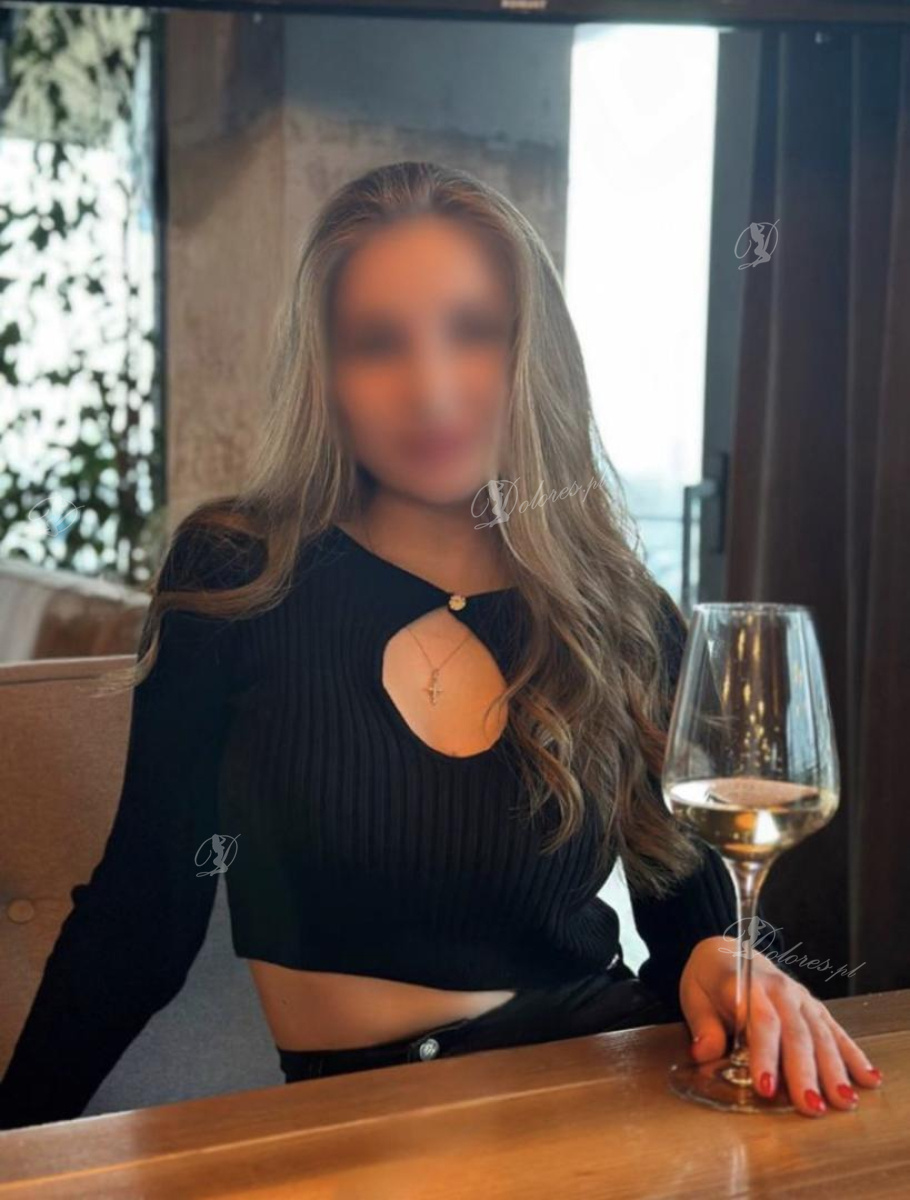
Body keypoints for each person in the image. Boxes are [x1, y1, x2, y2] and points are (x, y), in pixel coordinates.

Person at [0, 162, 879, 1129]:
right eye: (378, 343)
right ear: (327, 374)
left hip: (603, 1086)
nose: (430, 387)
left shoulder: (621, 609)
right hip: (367, 1128)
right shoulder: (236, 576)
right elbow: (140, 920)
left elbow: (691, 934)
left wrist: (732, 965)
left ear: (532, 352)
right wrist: (15, 1140)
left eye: (473, 330)